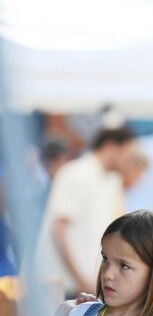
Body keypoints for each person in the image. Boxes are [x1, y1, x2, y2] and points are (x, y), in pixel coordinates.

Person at [33, 126, 135, 297]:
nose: (129, 160)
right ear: (110, 146)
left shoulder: (111, 180)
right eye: (127, 153)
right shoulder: (76, 174)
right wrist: (81, 280)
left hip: (87, 288)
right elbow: (58, 229)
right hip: (61, 287)